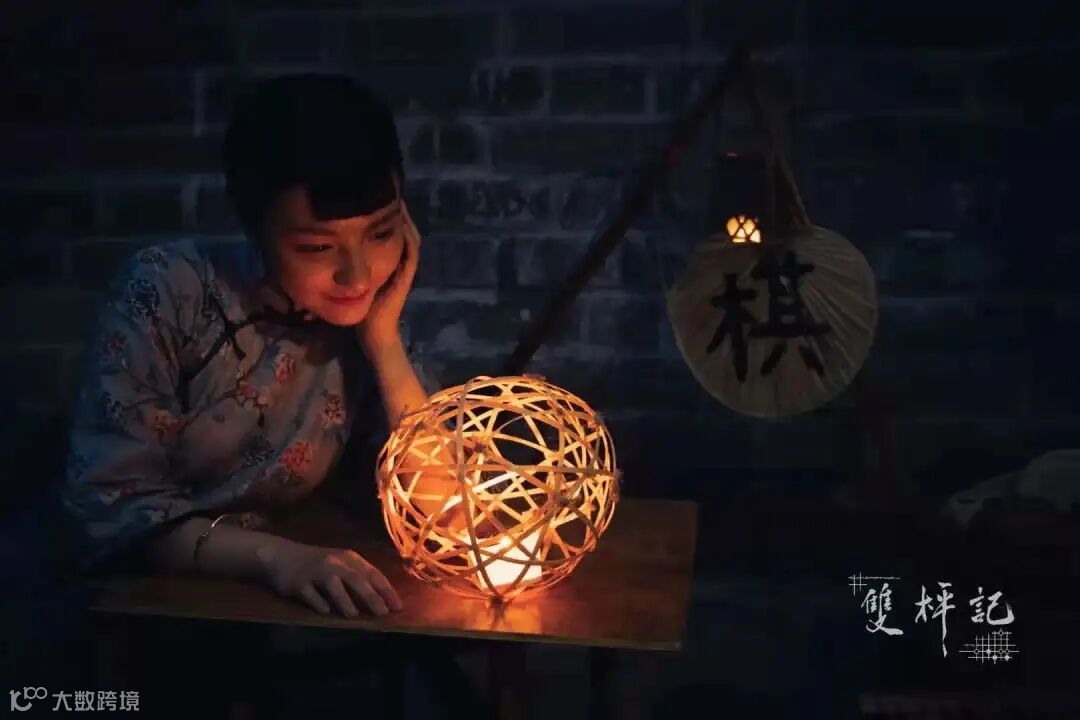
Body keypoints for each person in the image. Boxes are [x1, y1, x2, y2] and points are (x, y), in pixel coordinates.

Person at [61, 73, 454, 620]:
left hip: (254, 609)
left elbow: (443, 514)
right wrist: (275, 558)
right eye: (317, 247)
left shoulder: (367, 315)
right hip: (130, 604)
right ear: (255, 227)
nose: (358, 275)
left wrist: (384, 343)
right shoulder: (170, 291)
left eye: (382, 234)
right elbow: (111, 507)